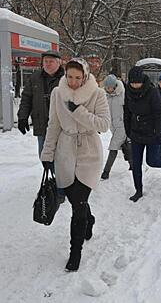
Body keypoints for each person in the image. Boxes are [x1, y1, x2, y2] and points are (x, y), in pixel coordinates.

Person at [40, 58, 111, 272]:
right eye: (69, 76)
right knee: (75, 200)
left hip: (89, 152)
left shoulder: (97, 94)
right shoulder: (57, 93)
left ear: (86, 77)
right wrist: (47, 153)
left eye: (77, 78)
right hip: (65, 152)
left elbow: (104, 125)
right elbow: (53, 125)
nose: (72, 81)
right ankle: (89, 218)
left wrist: (78, 111)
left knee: (79, 203)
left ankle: (75, 252)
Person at [17, 49, 66, 202]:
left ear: (58, 63)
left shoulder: (66, 78)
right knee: (44, 157)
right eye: (45, 61)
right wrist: (22, 118)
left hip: (62, 127)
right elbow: (26, 98)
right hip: (41, 125)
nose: (48, 64)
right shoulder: (34, 78)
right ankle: (56, 181)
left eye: (51, 61)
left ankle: (61, 188)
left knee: (62, 158)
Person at [124, 66, 161, 202]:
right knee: (136, 164)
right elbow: (127, 112)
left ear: (142, 80)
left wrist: (159, 133)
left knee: (152, 161)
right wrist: (128, 130)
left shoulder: (152, 92)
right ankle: (138, 190)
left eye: (137, 82)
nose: (135, 85)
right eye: (132, 82)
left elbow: (159, 113)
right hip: (136, 132)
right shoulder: (128, 91)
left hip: (152, 132)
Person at [101, 74, 132, 180]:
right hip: (113, 127)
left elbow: (129, 110)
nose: (108, 89)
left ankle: (106, 172)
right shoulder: (105, 96)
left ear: (114, 86)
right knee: (125, 146)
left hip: (122, 126)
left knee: (113, 147)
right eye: (106, 87)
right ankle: (132, 165)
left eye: (109, 87)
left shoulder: (123, 94)